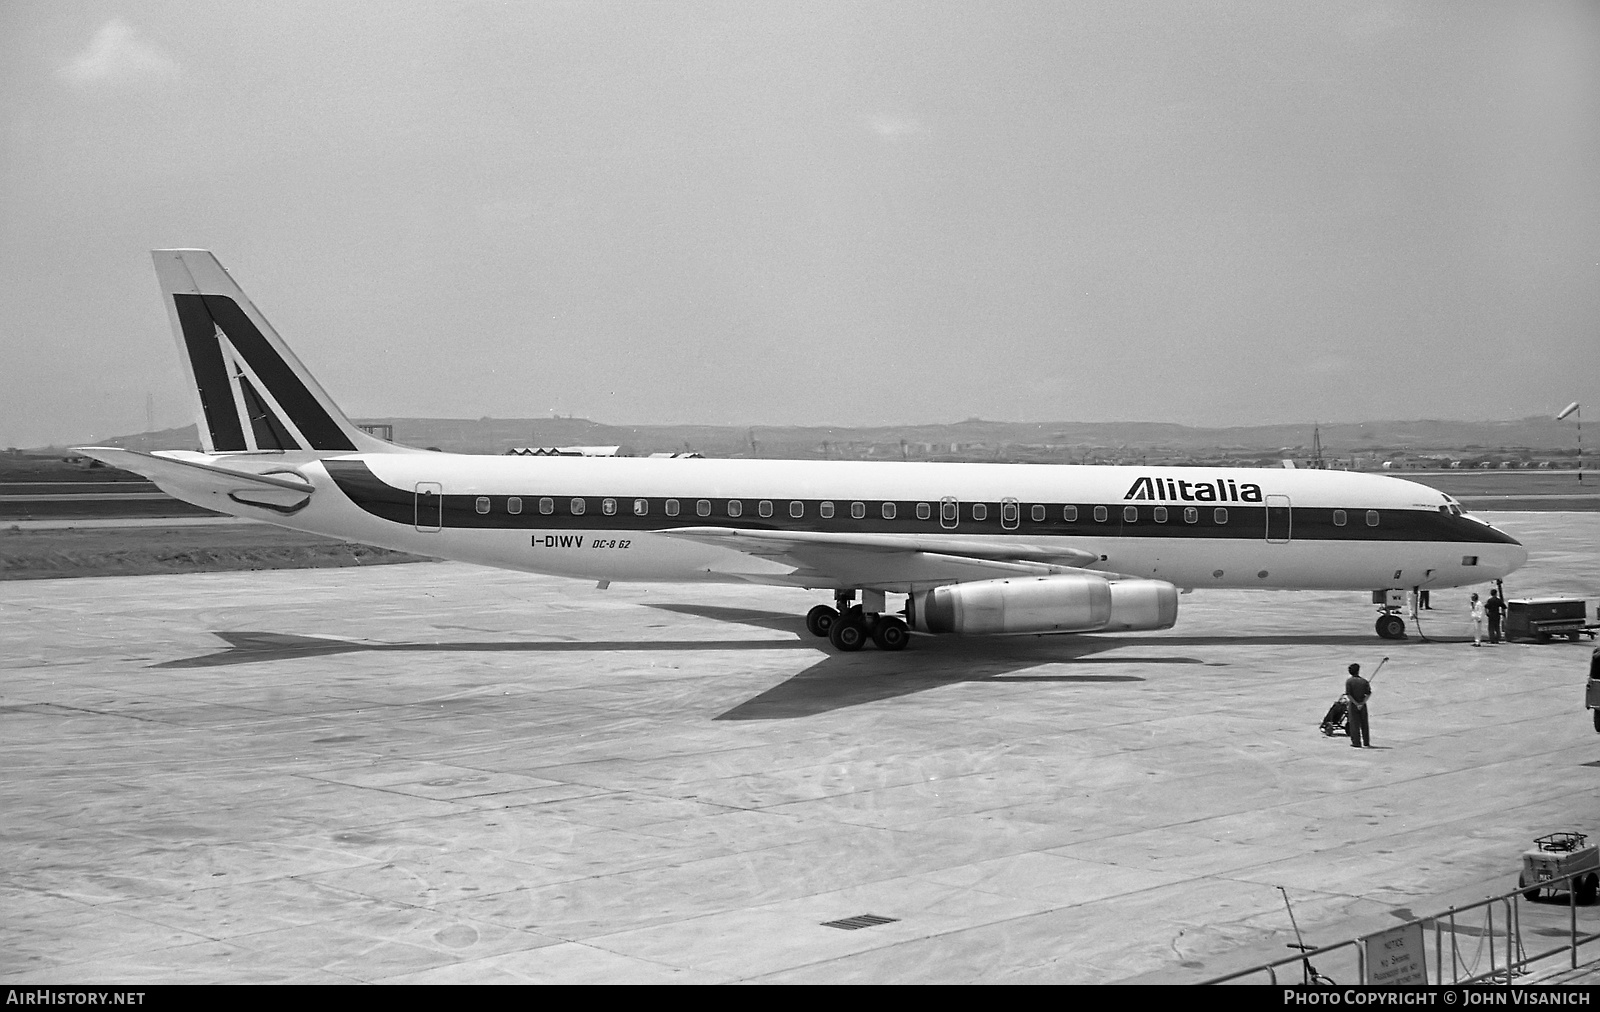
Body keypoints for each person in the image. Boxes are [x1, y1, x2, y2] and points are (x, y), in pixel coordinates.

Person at [1344, 663, 1372, 748]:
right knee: (1364, 723)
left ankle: (1356, 742)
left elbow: (1349, 695)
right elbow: (1368, 694)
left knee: (1354, 724)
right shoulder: (1364, 681)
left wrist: (1356, 704)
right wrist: (1362, 703)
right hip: (1362, 704)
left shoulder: (1349, 681)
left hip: (1353, 705)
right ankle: (1366, 742)